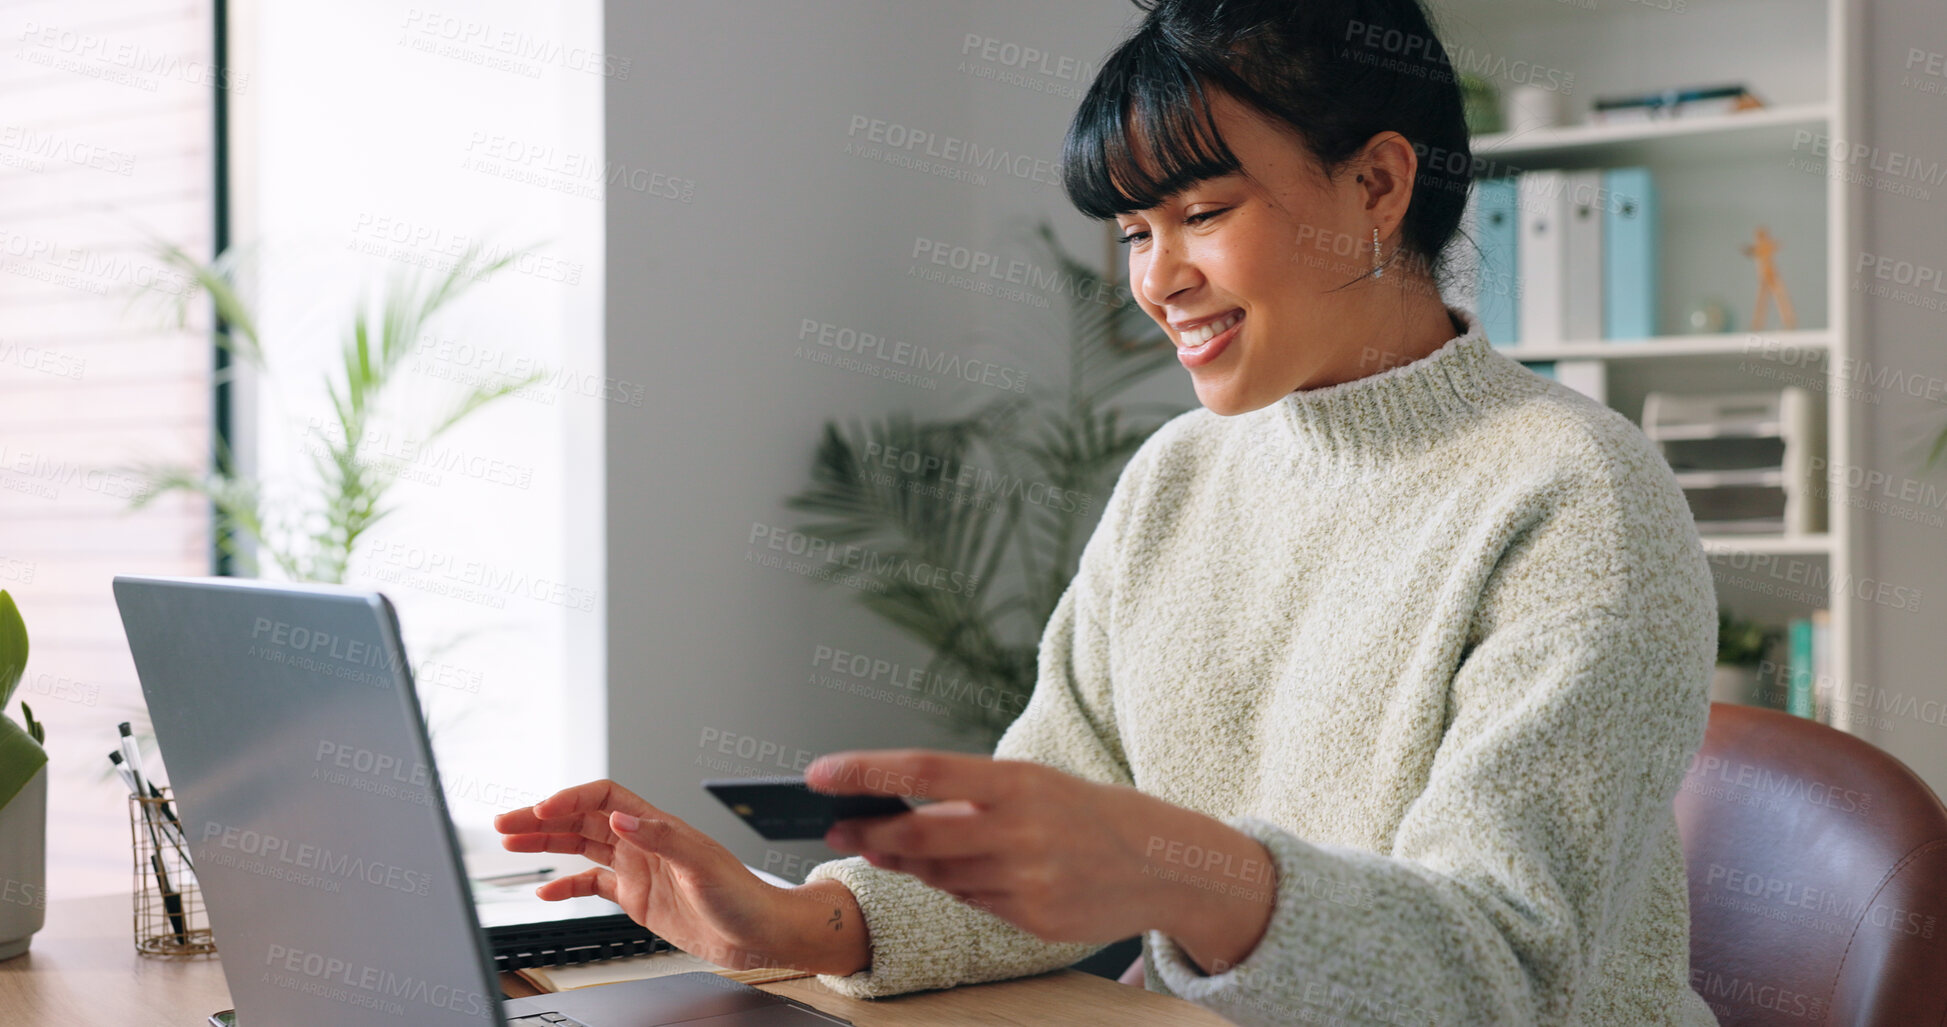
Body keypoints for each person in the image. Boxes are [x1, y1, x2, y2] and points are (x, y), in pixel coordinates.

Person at [494, 1, 1721, 1022]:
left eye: (1202, 212)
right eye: (1135, 230)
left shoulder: (1575, 494)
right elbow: (1044, 829)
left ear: (1378, 185)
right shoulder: (1179, 475)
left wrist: (1183, 872)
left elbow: (1502, 966)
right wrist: (797, 915)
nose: (1157, 277)